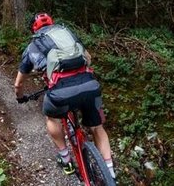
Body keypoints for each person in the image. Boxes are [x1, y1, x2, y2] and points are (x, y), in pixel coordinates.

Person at [13, 13, 115, 178]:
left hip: (60, 93)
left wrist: (20, 97)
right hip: (89, 85)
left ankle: (66, 159)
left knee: (52, 118)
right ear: (52, 24)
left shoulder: (33, 46)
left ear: (34, 28)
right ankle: (110, 173)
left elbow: (18, 84)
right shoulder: (69, 36)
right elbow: (88, 58)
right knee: (97, 127)